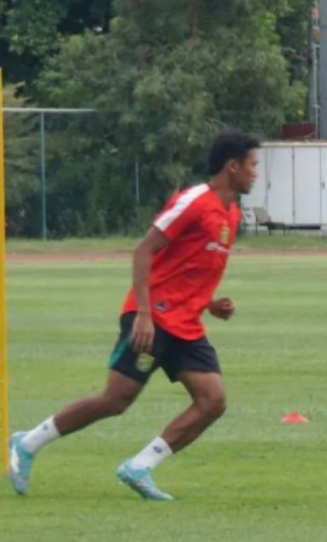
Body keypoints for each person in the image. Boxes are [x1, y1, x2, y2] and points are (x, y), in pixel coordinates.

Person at [7, 131, 260, 501]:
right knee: (116, 399)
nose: (256, 173)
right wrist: (143, 313)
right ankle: (28, 443)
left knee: (213, 401)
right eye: (252, 165)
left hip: (186, 324)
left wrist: (210, 305)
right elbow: (143, 250)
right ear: (232, 166)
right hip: (152, 317)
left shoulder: (232, 214)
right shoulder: (193, 201)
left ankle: (140, 466)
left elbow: (187, 267)